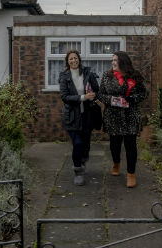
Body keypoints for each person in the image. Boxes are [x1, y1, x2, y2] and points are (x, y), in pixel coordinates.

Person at [99, 51, 147, 188]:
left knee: (130, 145)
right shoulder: (106, 76)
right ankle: (116, 163)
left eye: (116, 60)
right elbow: (101, 94)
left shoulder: (135, 76)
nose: (113, 62)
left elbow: (143, 93)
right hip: (113, 117)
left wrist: (131, 99)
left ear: (123, 62)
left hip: (130, 116)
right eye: (112, 60)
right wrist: (112, 100)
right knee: (115, 144)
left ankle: (131, 174)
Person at [58, 49, 102, 186]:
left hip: (87, 115)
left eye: (75, 58)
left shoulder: (88, 73)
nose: (73, 61)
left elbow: (96, 90)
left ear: (79, 59)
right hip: (71, 116)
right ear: (67, 61)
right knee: (77, 143)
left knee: (86, 144)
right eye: (70, 59)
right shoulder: (64, 76)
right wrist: (83, 97)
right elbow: (64, 97)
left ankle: (83, 159)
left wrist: (94, 95)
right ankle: (78, 171)